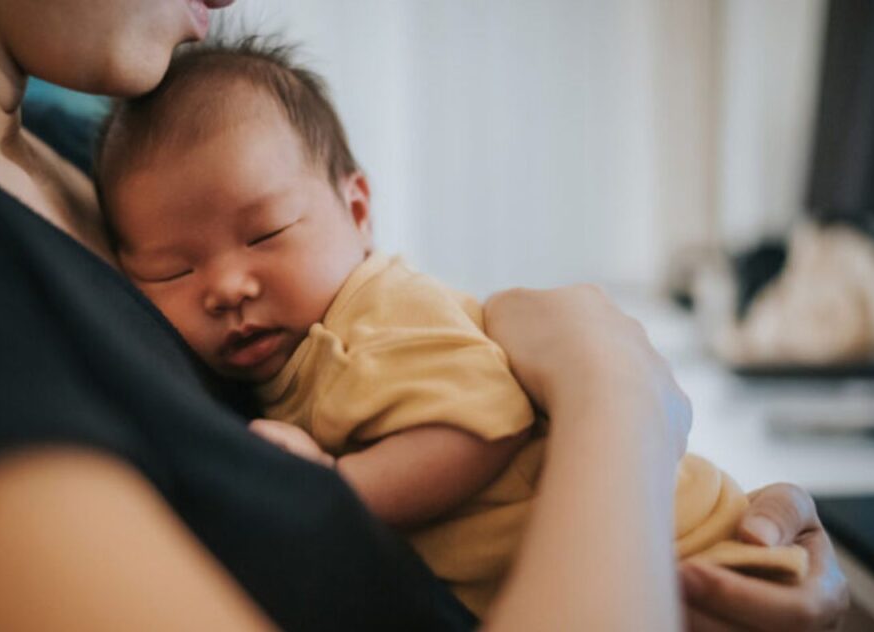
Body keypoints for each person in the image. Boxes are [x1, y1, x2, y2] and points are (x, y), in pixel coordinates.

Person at [0, 0, 848, 629]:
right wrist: (617, 398)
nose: (225, 283)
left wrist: (724, 540)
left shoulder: (86, 149)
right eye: (173, 267)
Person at [95, 39, 812, 618]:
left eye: (265, 233)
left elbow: (483, 421)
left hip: (688, 551)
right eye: (170, 271)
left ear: (357, 209)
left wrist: (336, 490)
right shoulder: (285, 357)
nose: (225, 286)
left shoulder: (374, 315)